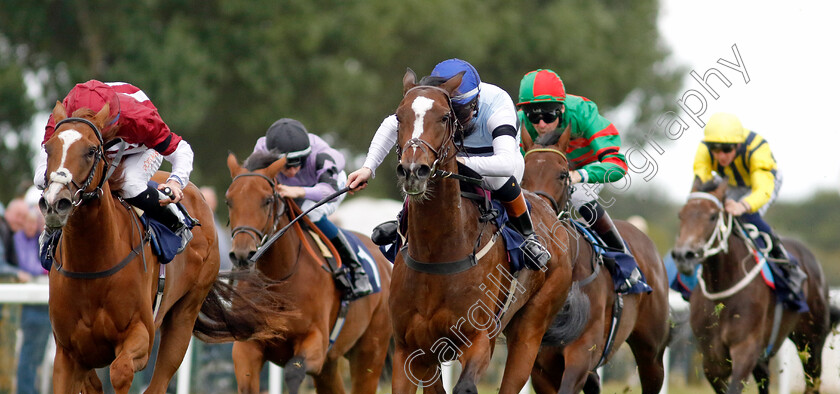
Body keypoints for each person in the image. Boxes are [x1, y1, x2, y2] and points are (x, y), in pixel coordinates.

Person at [347, 58, 551, 270]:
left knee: (498, 177)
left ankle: (528, 236)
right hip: (450, 154)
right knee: (418, 168)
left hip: (494, 161)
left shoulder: (497, 106)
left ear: (477, 100)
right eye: (450, 111)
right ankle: (404, 222)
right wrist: (367, 168)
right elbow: (393, 123)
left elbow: (507, 164)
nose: (456, 118)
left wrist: (458, 163)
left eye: (461, 111)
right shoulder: (434, 99)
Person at [34, 80, 194, 254]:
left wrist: (175, 181)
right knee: (41, 179)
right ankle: (52, 230)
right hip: (85, 151)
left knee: (130, 184)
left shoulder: (139, 118)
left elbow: (180, 149)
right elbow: (48, 160)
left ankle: (176, 221)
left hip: (139, 150)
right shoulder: (61, 120)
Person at [516, 68, 641, 291]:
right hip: (546, 174)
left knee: (580, 195)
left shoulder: (583, 113)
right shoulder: (519, 124)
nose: (541, 124)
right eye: (533, 116)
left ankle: (622, 258)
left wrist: (578, 175)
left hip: (585, 169)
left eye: (549, 115)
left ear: (562, 108)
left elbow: (617, 165)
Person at [253, 118, 372, 299]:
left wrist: (298, 191)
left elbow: (329, 190)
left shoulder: (323, 156)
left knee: (311, 213)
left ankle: (356, 270)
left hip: (327, 185)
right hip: (289, 188)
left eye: (297, 163)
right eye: (285, 165)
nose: (292, 171)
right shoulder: (261, 150)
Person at [693, 112, 807, 298]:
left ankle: (787, 265)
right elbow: (702, 179)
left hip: (762, 183)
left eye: (727, 149)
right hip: (730, 183)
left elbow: (762, 190)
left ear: (738, 144)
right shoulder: (704, 148)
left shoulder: (757, 149)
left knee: (747, 217)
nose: (721, 156)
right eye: (715, 148)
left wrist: (743, 206)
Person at [13, 205, 51, 394]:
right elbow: (30, 265)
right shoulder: (19, 239)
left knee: (39, 353)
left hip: (43, 302)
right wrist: (42, 271)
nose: (32, 226)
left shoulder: (39, 238)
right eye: (28, 222)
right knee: (28, 352)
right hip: (29, 305)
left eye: (34, 223)